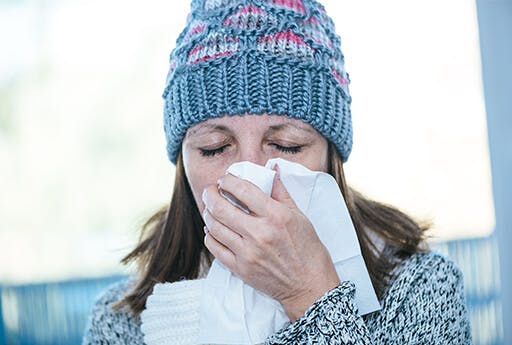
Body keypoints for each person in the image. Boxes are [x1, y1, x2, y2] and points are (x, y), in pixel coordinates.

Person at [82, 0, 472, 343]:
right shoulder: (123, 322)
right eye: (215, 148)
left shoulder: (421, 288)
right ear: (184, 159)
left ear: (329, 156)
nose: (250, 176)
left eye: (287, 146)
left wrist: (309, 296)